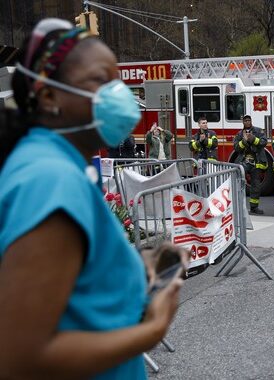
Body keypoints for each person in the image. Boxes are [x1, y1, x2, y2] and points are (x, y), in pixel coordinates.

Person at [0, 19, 184, 379]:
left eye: (117, 81)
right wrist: (152, 329)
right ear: (49, 94)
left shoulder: (62, 166)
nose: (118, 95)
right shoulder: (50, 180)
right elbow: (20, 358)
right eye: (101, 80)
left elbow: (73, 290)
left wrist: (137, 269)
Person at [233, 114, 268, 215]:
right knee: (239, 183)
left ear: (251, 121)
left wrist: (253, 139)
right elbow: (236, 148)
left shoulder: (258, 131)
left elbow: (264, 142)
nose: (247, 122)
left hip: (256, 163)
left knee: (256, 185)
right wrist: (244, 141)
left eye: (248, 120)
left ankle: (254, 208)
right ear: (243, 122)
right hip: (244, 162)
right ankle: (239, 207)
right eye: (245, 121)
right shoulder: (239, 134)